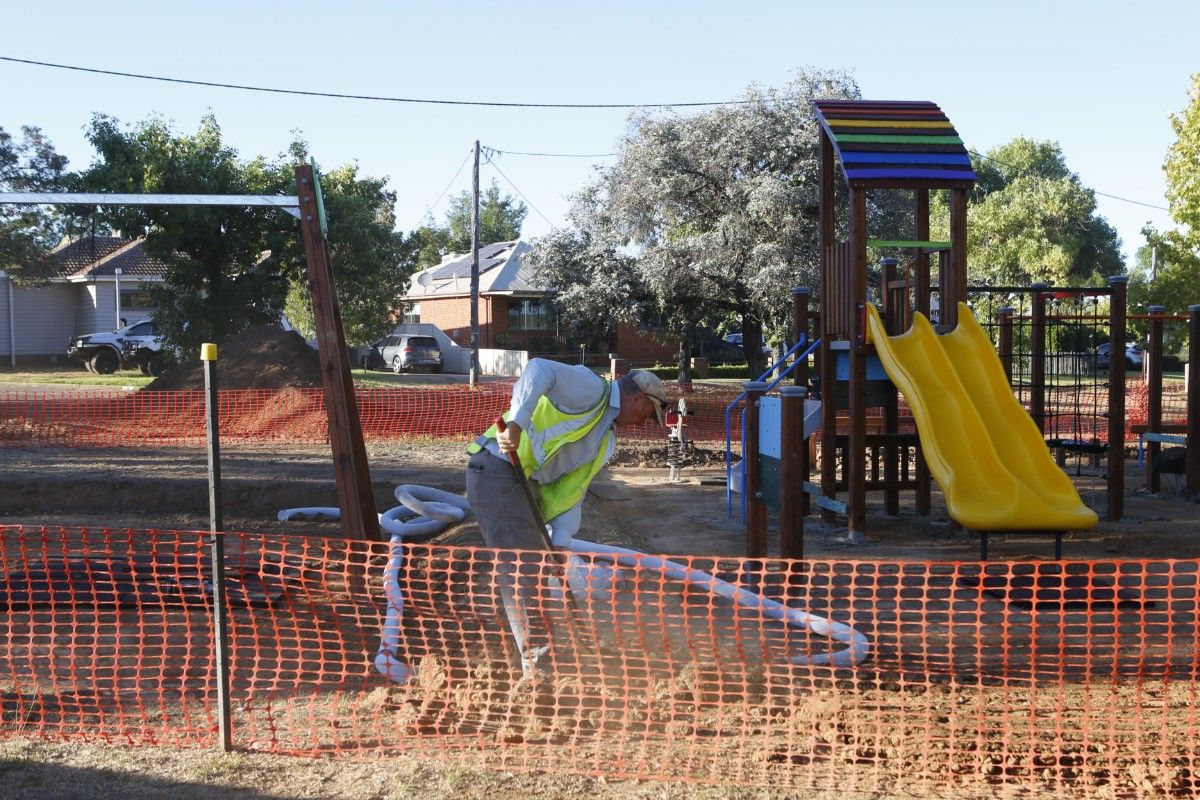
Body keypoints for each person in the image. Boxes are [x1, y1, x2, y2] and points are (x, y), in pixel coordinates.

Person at [465, 359, 668, 676]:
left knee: (536, 566)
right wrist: (517, 423)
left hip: (524, 483)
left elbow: (572, 492)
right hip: (498, 467)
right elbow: (538, 370)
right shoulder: (591, 389)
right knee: (523, 566)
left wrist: (560, 544)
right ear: (639, 397)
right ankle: (537, 663)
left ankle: (536, 652)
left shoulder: (605, 439)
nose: (645, 423)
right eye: (648, 414)